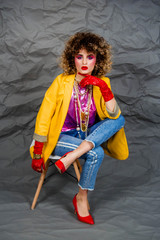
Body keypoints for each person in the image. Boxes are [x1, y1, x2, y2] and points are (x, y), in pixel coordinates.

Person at [30, 32, 129, 225]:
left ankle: (73, 156)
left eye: (90, 56)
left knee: (120, 119)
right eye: (79, 56)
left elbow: (114, 115)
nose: (84, 62)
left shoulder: (103, 83)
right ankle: (81, 198)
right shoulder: (61, 82)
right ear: (72, 58)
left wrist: (103, 87)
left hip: (84, 136)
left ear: (97, 60)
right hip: (60, 137)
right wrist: (37, 152)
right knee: (95, 153)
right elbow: (44, 116)